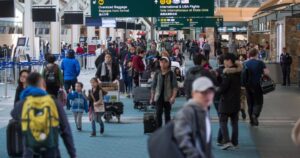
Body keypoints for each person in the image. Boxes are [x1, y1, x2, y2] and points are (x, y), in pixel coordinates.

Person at [11, 72, 76, 158]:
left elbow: (14, 115)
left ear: (26, 85)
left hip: (29, 151)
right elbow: (66, 130)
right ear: (42, 84)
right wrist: (72, 154)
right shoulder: (53, 102)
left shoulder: (22, 104)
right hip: (51, 151)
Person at [173, 77, 215, 158]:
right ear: (193, 93)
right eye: (203, 92)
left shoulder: (204, 112)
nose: (207, 96)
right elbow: (181, 140)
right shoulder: (187, 112)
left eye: (210, 92)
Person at [217, 53, 242, 150]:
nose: (223, 62)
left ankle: (227, 141)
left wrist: (217, 89)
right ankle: (235, 142)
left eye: (224, 60)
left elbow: (223, 88)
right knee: (234, 123)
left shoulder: (228, 74)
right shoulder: (239, 72)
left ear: (229, 61)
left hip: (226, 101)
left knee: (223, 121)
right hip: (236, 100)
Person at [243, 48, 269, 126]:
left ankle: (251, 120)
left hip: (247, 86)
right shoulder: (260, 63)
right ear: (256, 54)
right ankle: (255, 115)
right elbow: (266, 73)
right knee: (258, 102)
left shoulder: (245, 63)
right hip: (258, 85)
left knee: (250, 103)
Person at [150, 57, 178, 128]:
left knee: (167, 115)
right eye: (161, 62)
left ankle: (167, 131)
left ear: (168, 63)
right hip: (158, 97)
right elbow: (153, 86)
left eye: (165, 62)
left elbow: (175, 87)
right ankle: (159, 131)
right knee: (158, 114)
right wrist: (152, 97)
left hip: (168, 97)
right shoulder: (157, 73)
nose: (163, 63)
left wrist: (173, 97)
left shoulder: (172, 74)